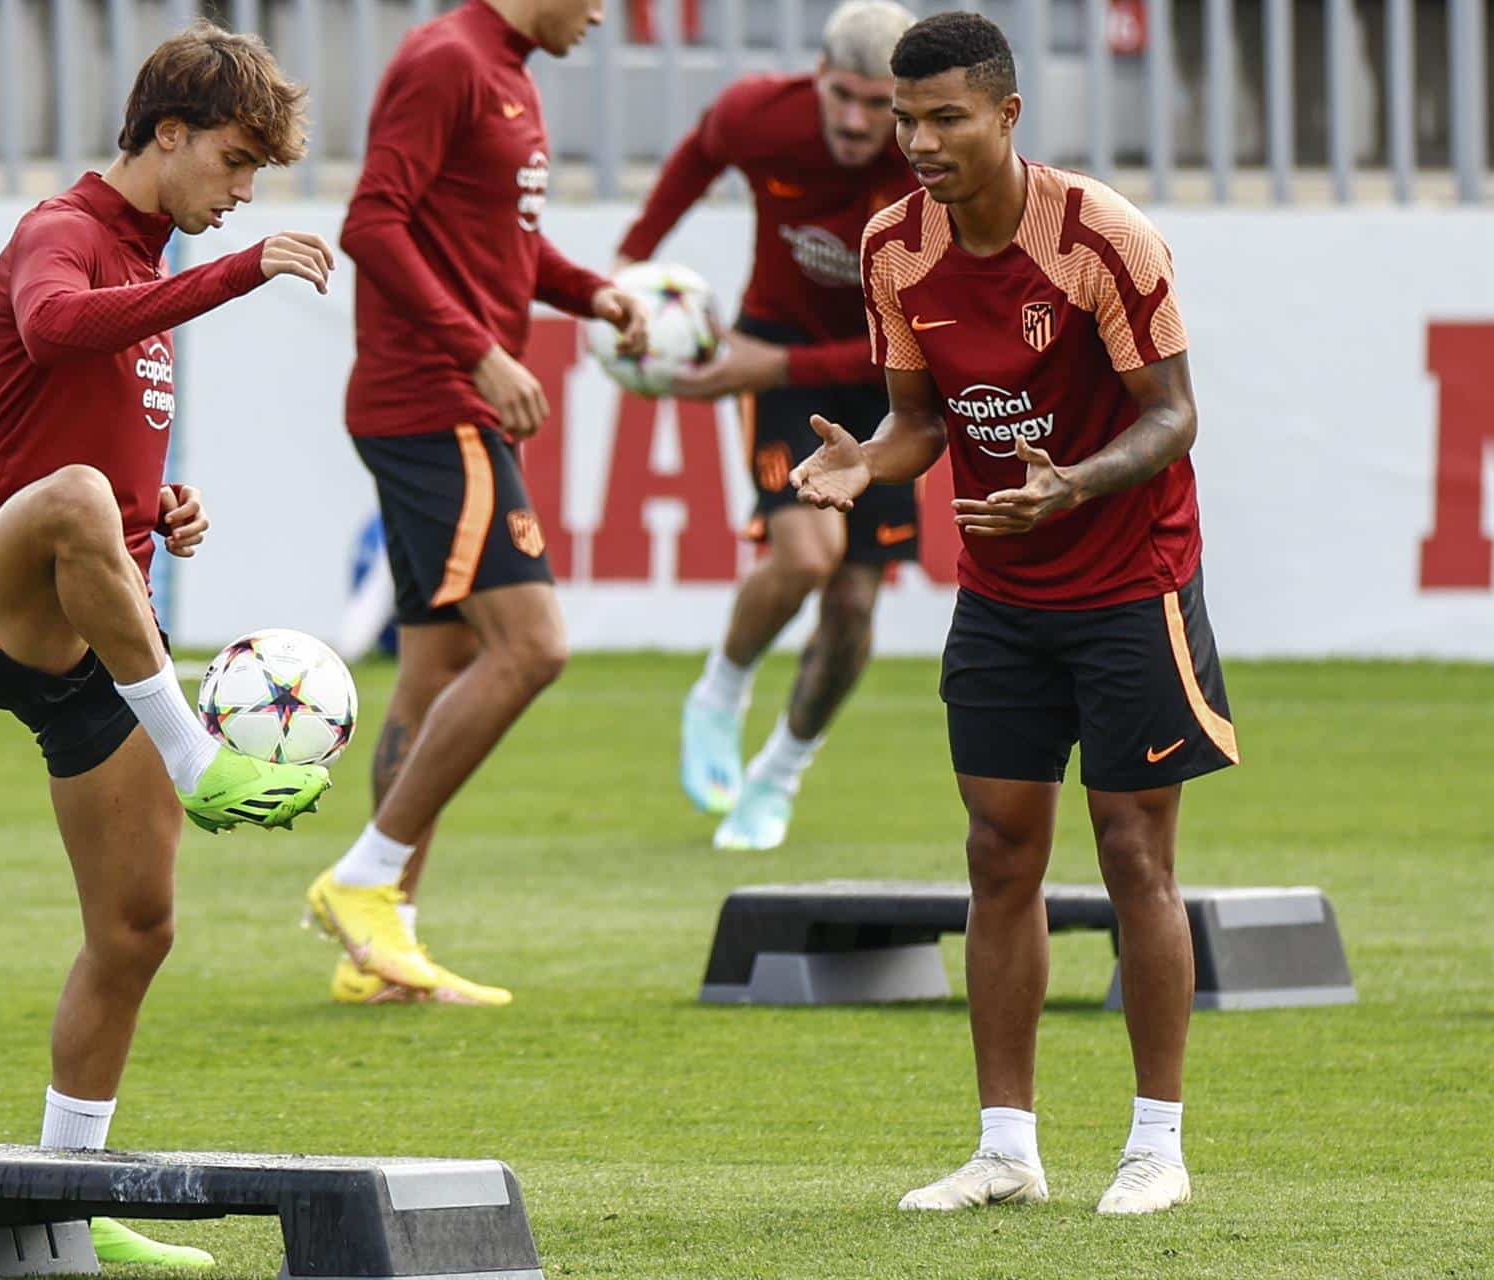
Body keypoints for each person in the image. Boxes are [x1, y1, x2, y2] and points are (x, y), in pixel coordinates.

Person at [791, 11, 1236, 1216]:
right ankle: (1007, 1149)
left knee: (1136, 853)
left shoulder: (1102, 235)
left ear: (1007, 116)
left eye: (946, 118)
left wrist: (1074, 484)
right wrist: (869, 464)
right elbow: (923, 421)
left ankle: (1155, 1146)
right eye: (905, 117)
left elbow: (1173, 415)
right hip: (1003, 591)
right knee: (998, 855)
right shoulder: (893, 244)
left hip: (1131, 579)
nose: (920, 141)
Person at [0, 21, 331, 1267]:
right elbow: (54, 333)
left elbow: (96, 428)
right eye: (235, 160)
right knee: (76, 501)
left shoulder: (146, 259)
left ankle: (73, 1185)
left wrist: (163, 507)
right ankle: (200, 754)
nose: (245, 191)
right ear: (167, 132)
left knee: (137, 928)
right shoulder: (63, 231)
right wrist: (243, 268)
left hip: (101, 640)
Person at [314, 0, 645, 1007]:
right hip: (436, 405)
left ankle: (379, 948)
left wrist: (593, 294)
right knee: (532, 645)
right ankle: (364, 879)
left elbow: (495, 241)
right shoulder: (447, 61)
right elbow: (371, 220)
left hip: (431, 402)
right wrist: (483, 353)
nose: (602, 12)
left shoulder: (506, 67)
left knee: (434, 668)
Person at [614, 0, 920, 851]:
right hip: (782, 348)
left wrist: (768, 368)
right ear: (817, 79)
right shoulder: (762, 115)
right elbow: (699, 154)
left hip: (885, 378)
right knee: (807, 556)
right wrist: (627, 269)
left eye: (877, 106)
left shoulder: (933, 165)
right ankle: (719, 692)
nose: (857, 122)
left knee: (855, 601)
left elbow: (923, 344)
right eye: (842, 97)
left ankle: (778, 774)